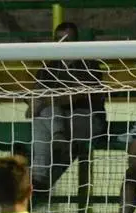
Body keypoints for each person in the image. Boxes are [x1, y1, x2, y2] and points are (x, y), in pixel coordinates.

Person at [29, 22, 106, 199]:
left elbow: (74, 96)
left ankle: (41, 173)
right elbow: (34, 99)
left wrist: (45, 101)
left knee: (45, 111)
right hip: (61, 123)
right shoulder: (48, 67)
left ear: (76, 41)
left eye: (67, 39)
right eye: (58, 39)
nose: (62, 43)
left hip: (87, 120)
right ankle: (55, 142)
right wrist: (35, 103)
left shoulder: (89, 65)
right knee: (41, 115)